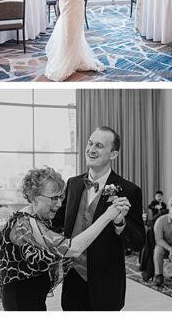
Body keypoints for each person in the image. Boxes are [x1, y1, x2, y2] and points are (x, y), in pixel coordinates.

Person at [0, 167, 129, 311]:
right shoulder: (23, 225)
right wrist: (107, 216)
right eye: (54, 198)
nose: (60, 204)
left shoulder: (38, 218)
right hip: (21, 302)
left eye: (61, 197)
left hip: (33, 298)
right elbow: (72, 248)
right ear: (34, 196)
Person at [50, 126, 144, 310]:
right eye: (90, 143)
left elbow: (139, 242)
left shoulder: (129, 190)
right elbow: (56, 223)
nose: (91, 149)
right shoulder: (73, 184)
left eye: (99, 146)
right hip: (72, 279)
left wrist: (119, 223)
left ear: (113, 154)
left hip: (106, 285)